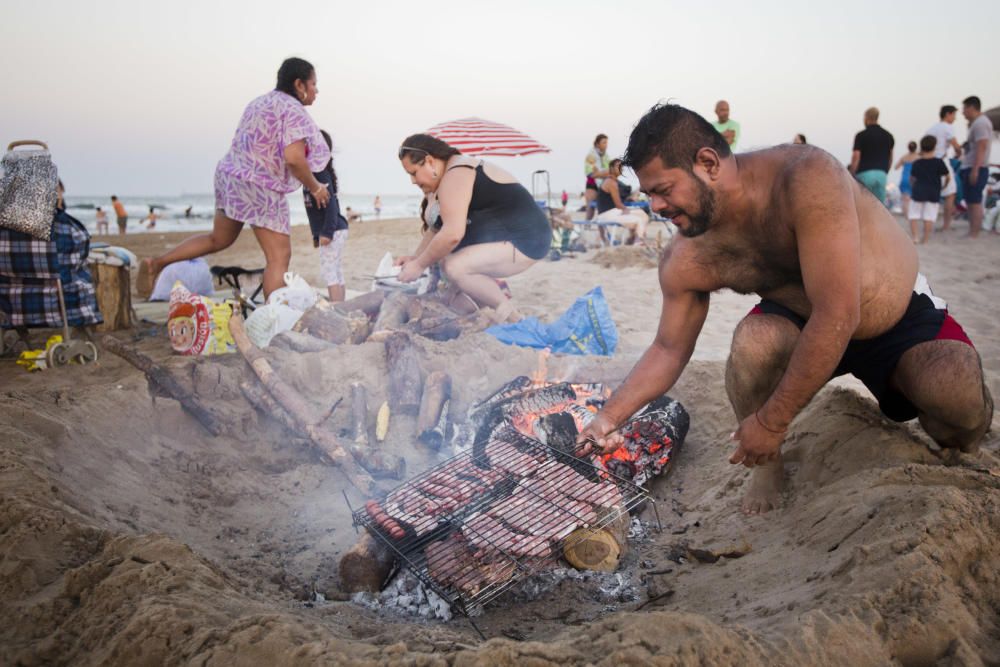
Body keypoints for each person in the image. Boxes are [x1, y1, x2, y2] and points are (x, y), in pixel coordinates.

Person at [576, 103, 992, 516]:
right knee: (752, 343)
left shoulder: (806, 177)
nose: (656, 207)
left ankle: (961, 435)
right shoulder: (686, 257)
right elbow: (668, 349)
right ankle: (768, 464)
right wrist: (607, 419)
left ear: (707, 163)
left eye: (663, 190)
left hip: (896, 317)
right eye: (649, 194)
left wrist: (772, 422)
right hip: (801, 315)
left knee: (957, 405)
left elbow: (839, 313)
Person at [137, 58, 330, 299]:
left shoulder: (258, 103)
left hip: (230, 177)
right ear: (299, 84)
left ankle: (159, 263)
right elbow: (294, 159)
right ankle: (275, 319)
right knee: (279, 257)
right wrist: (315, 187)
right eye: (313, 84)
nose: (316, 91)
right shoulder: (293, 110)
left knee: (218, 239)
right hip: (261, 186)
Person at [396, 133, 550, 323]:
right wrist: (415, 258)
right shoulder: (446, 178)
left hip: (527, 239)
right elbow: (436, 229)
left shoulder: (457, 173)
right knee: (455, 295)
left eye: (413, 173)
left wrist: (419, 266)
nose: (412, 181)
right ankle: (490, 301)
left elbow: (452, 234)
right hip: (504, 237)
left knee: (455, 267)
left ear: (430, 161)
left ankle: (513, 318)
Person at [305, 130, 349, 302]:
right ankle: (341, 306)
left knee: (330, 272)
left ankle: (336, 308)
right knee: (336, 271)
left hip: (333, 229)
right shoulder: (312, 175)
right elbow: (316, 212)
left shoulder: (320, 174)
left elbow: (331, 207)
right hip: (335, 228)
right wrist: (316, 235)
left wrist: (326, 232)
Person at [925, 105, 964, 231]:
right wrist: (959, 153)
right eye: (954, 115)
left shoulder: (931, 128)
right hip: (942, 161)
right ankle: (946, 225)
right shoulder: (948, 127)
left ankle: (928, 223)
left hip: (929, 162)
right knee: (950, 194)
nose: (955, 118)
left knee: (932, 193)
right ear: (948, 114)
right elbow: (955, 145)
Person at [959, 96, 993, 238]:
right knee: (971, 200)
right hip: (972, 166)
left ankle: (974, 232)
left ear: (972, 107)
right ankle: (972, 230)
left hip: (976, 167)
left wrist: (975, 169)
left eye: (964, 109)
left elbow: (982, 146)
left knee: (975, 201)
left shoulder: (980, 123)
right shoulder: (977, 123)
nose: (963, 113)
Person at [596, 158, 649, 245]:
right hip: (607, 215)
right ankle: (638, 241)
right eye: (619, 167)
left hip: (612, 212)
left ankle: (633, 238)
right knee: (639, 220)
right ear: (612, 168)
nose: (621, 169)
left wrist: (627, 209)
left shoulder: (611, 181)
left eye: (622, 167)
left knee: (642, 214)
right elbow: (618, 204)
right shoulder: (611, 182)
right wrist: (627, 210)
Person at [908, 136, 949, 244]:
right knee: (929, 217)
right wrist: (944, 186)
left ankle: (915, 237)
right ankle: (925, 239)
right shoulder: (939, 162)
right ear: (934, 146)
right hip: (934, 191)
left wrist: (913, 186)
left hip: (919, 190)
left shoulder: (917, 163)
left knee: (913, 215)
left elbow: (912, 178)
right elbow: (947, 176)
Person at [849, 107, 895, 205]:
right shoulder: (888, 136)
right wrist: (885, 171)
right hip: (881, 174)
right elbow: (890, 158)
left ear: (866, 118)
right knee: (879, 207)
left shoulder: (861, 135)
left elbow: (856, 156)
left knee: (864, 205)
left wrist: (852, 172)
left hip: (864, 174)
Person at [584, 134, 611, 221]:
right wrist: (605, 173)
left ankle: (602, 233)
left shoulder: (606, 156)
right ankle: (585, 229)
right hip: (592, 184)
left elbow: (611, 171)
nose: (606, 145)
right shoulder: (590, 155)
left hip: (604, 184)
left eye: (607, 142)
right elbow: (591, 174)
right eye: (604, 142)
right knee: (590, 210)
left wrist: (601, 173)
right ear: (597, 144)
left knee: (602, 209)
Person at [893, 141, 919, 218]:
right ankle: (913, 215)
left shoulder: (904, 157)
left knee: (905, 200)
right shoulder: (918, 157)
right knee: (914, 199)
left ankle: (907, 216)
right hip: (915, 179)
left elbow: (896, 167)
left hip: (905, 178)